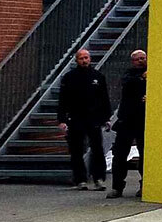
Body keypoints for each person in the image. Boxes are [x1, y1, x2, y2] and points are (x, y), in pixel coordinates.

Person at [55, 48, 111, 191]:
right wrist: (62, 120)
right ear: (77, 60)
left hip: (94, 118)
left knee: (97, 149)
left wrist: (106, 118)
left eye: (86, 58)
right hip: (75, 118)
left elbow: (104, 99)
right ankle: (80, 179)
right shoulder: (69, 77)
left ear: (90, 59)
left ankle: (98, 178)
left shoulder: (98, 77)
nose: (84, 60)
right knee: (76, 150)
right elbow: (63, 100)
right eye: (81, 58)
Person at [108, 49, 148, 199]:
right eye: (137, 59)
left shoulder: (153, 74)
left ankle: (145, 185)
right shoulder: (128, 74)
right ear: (133, 61)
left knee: (145, 154)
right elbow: (128, 83)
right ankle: (117, 187)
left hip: (143, 121)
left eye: (143, 58)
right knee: (119, 154)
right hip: (126, 120)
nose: (140, 61)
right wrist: (142, 79)